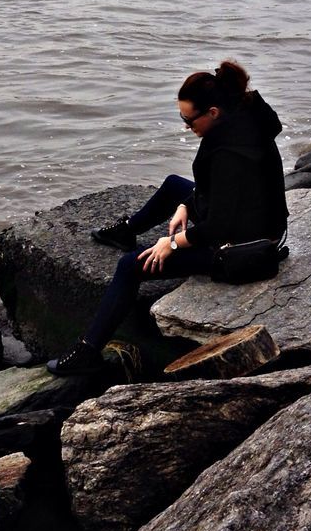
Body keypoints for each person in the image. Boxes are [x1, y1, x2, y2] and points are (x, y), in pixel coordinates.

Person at [47, 61, 289, 375]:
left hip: (244, 248)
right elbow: (219, 193)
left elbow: (219, 227)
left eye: (189, 120)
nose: (187, 127)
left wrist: (172, 243)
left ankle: (86, 353)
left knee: (130, 266)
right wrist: (187, 206)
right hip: (253, 218)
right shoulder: (244, 118)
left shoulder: (230, 154)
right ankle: (128, 230)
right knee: (176, 186)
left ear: (213, 112)